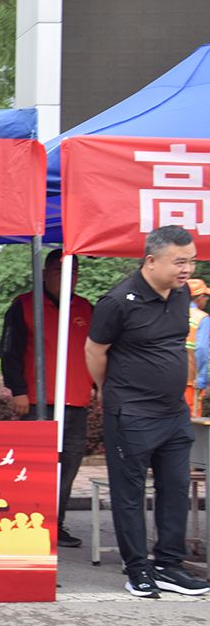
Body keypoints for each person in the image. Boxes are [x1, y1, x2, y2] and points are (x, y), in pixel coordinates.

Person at [85, 225, 210, 597]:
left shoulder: (181, 293)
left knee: (175, 489)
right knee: (130, 493)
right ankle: (137, 569)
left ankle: (169, 565)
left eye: (191, 260)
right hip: (132, 413)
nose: (187, 269)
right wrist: (110, 391)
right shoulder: (118, 301)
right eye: (179, 261)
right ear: (151, 261)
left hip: (174, 413)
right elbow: (95, 352)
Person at [0, 249, 92, 549]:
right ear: (43, 274)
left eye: (74, 271)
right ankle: (26, 522)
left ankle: (57, 524)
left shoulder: (85, 308)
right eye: (59, 271)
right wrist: (18, 390)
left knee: (68, 467)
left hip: (76, 402)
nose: (68, 277)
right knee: (35, 467)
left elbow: (97, 350)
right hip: (38, 402)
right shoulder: (25, 306)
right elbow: (10, 350)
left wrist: (96, 385)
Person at [185, 278, 209, 417]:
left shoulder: (170, 312)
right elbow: (201, 349)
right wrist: (202, 379)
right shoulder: (201, 318)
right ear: (200, 298)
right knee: (191, 421)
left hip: (167, 377)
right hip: (190, 380)